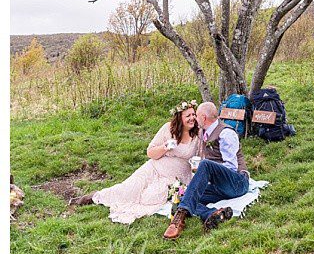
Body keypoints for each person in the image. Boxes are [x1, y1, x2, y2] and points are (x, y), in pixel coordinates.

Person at [72, 100, 199, 224]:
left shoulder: (197, 135)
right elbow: (150, 152)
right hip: (153, 168)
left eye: (194, 115)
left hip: (174, 178)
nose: (192, 118)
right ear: (179, 118)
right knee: (129, 188)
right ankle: (96, 196)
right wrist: (164, 147)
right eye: (188, 115)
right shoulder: (168, 128)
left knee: (149, 198)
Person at [165, 101, 249, 239]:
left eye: (196, 115)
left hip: (238, 183)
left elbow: (232, 167)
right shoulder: (204, 131)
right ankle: (211, 214)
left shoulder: (226, 133)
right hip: (220, 186)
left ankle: (179, 219)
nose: (195, 119)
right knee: (185, 196)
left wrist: (209, 172)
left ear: (203, 118)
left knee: (205, 165)